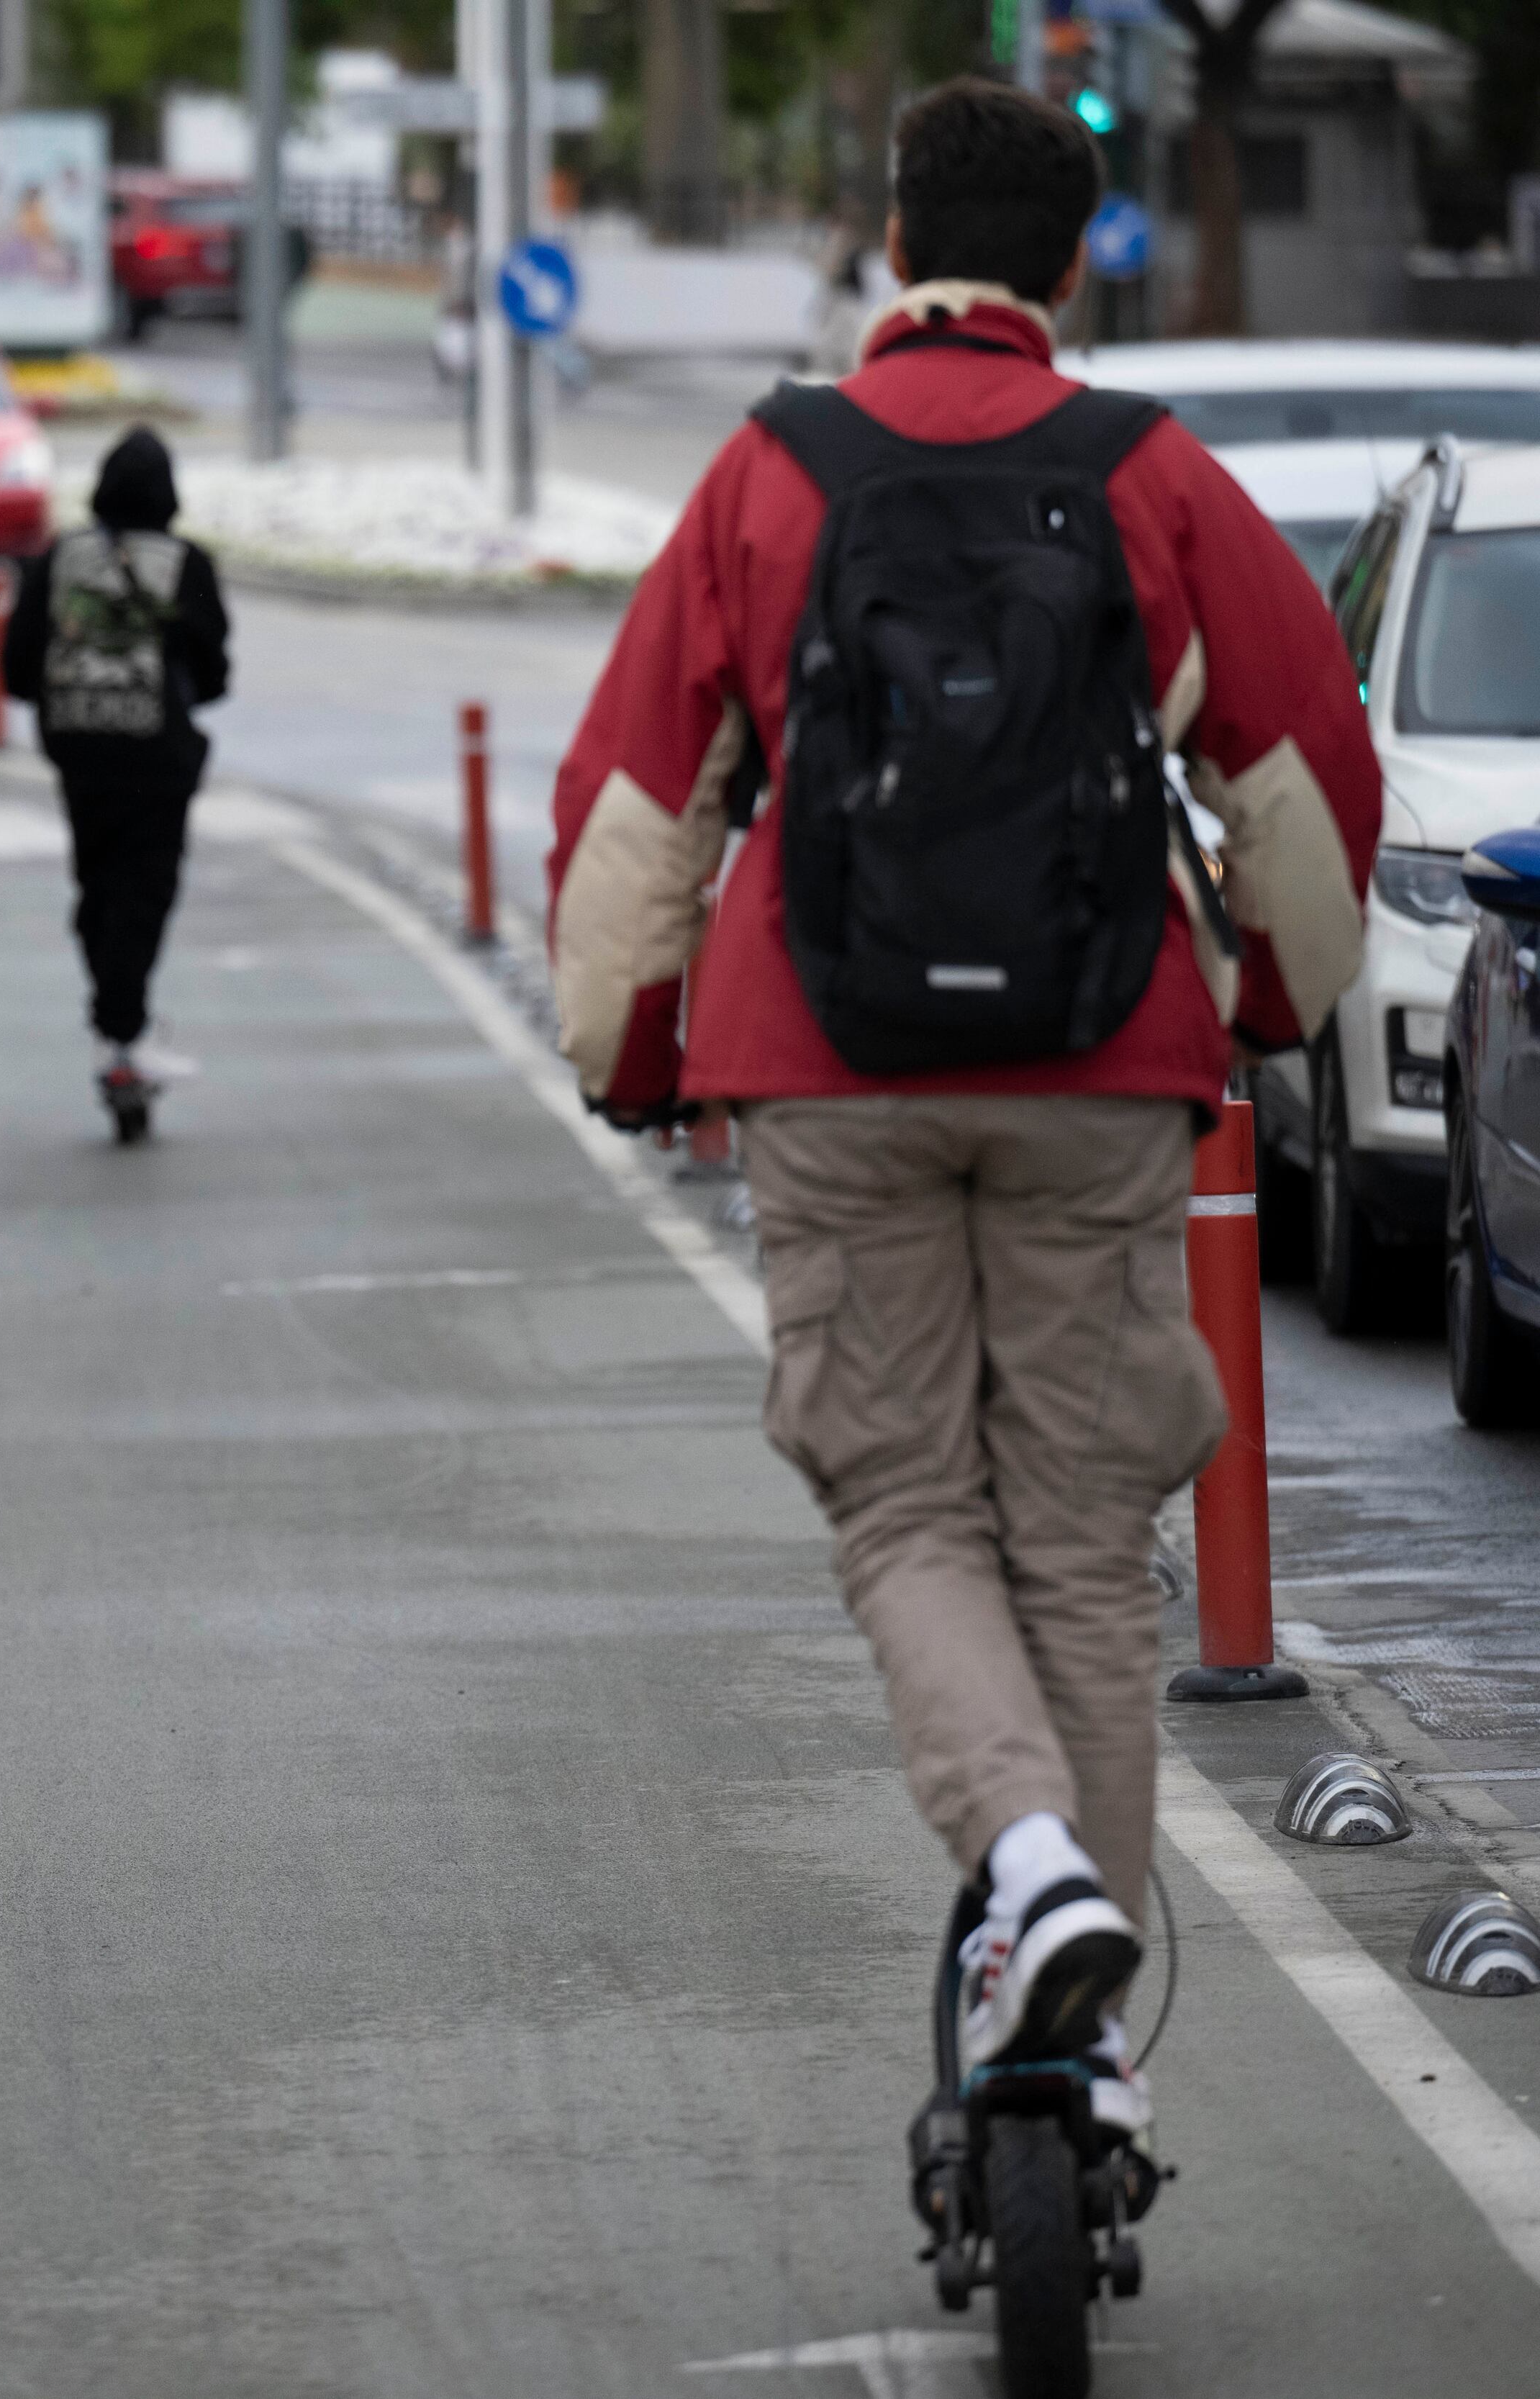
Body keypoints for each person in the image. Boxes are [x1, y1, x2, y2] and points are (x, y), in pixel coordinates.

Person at [545, 81, 1377, 2142]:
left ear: (894, 236)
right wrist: (1256, 1007)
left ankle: (1025, 1871)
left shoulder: (772, 471)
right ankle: (1079, 2052)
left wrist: (641, 1060)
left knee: (906, 1498)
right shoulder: (1153, 474)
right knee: (1086, 1541)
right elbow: (1312, 783)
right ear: (1077, 257)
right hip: (1109, 1067)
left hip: (823, 1062)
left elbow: (636, 803)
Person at [0, 425, 230, 1128]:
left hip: (78, 750)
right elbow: (215, 673)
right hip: (156, 756)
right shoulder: (184, 563)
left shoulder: (59, 558)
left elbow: (16, 667)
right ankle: (122, 1030)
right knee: (146, 888)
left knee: (97, 882)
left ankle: (115, 1024)